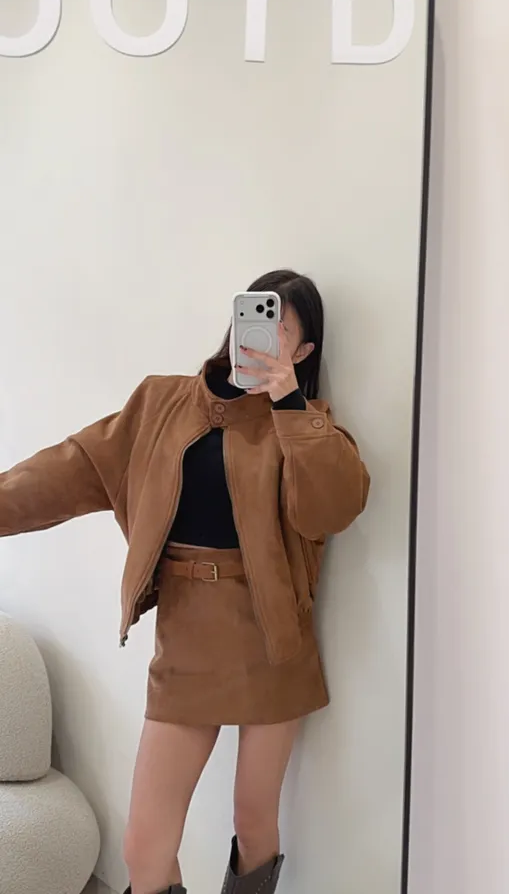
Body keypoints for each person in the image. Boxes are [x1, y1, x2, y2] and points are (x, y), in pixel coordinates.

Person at [0, 269, 369, 894]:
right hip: (187, 634)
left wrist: (288, 406)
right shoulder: (161, 404)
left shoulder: (310, 427)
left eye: (282, 328)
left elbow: (332, 509)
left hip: (273, 640)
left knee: (254, 822)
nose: (263, 334)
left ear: (304, 350)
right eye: (257, 314)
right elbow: (72, 468)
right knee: (145, 846)